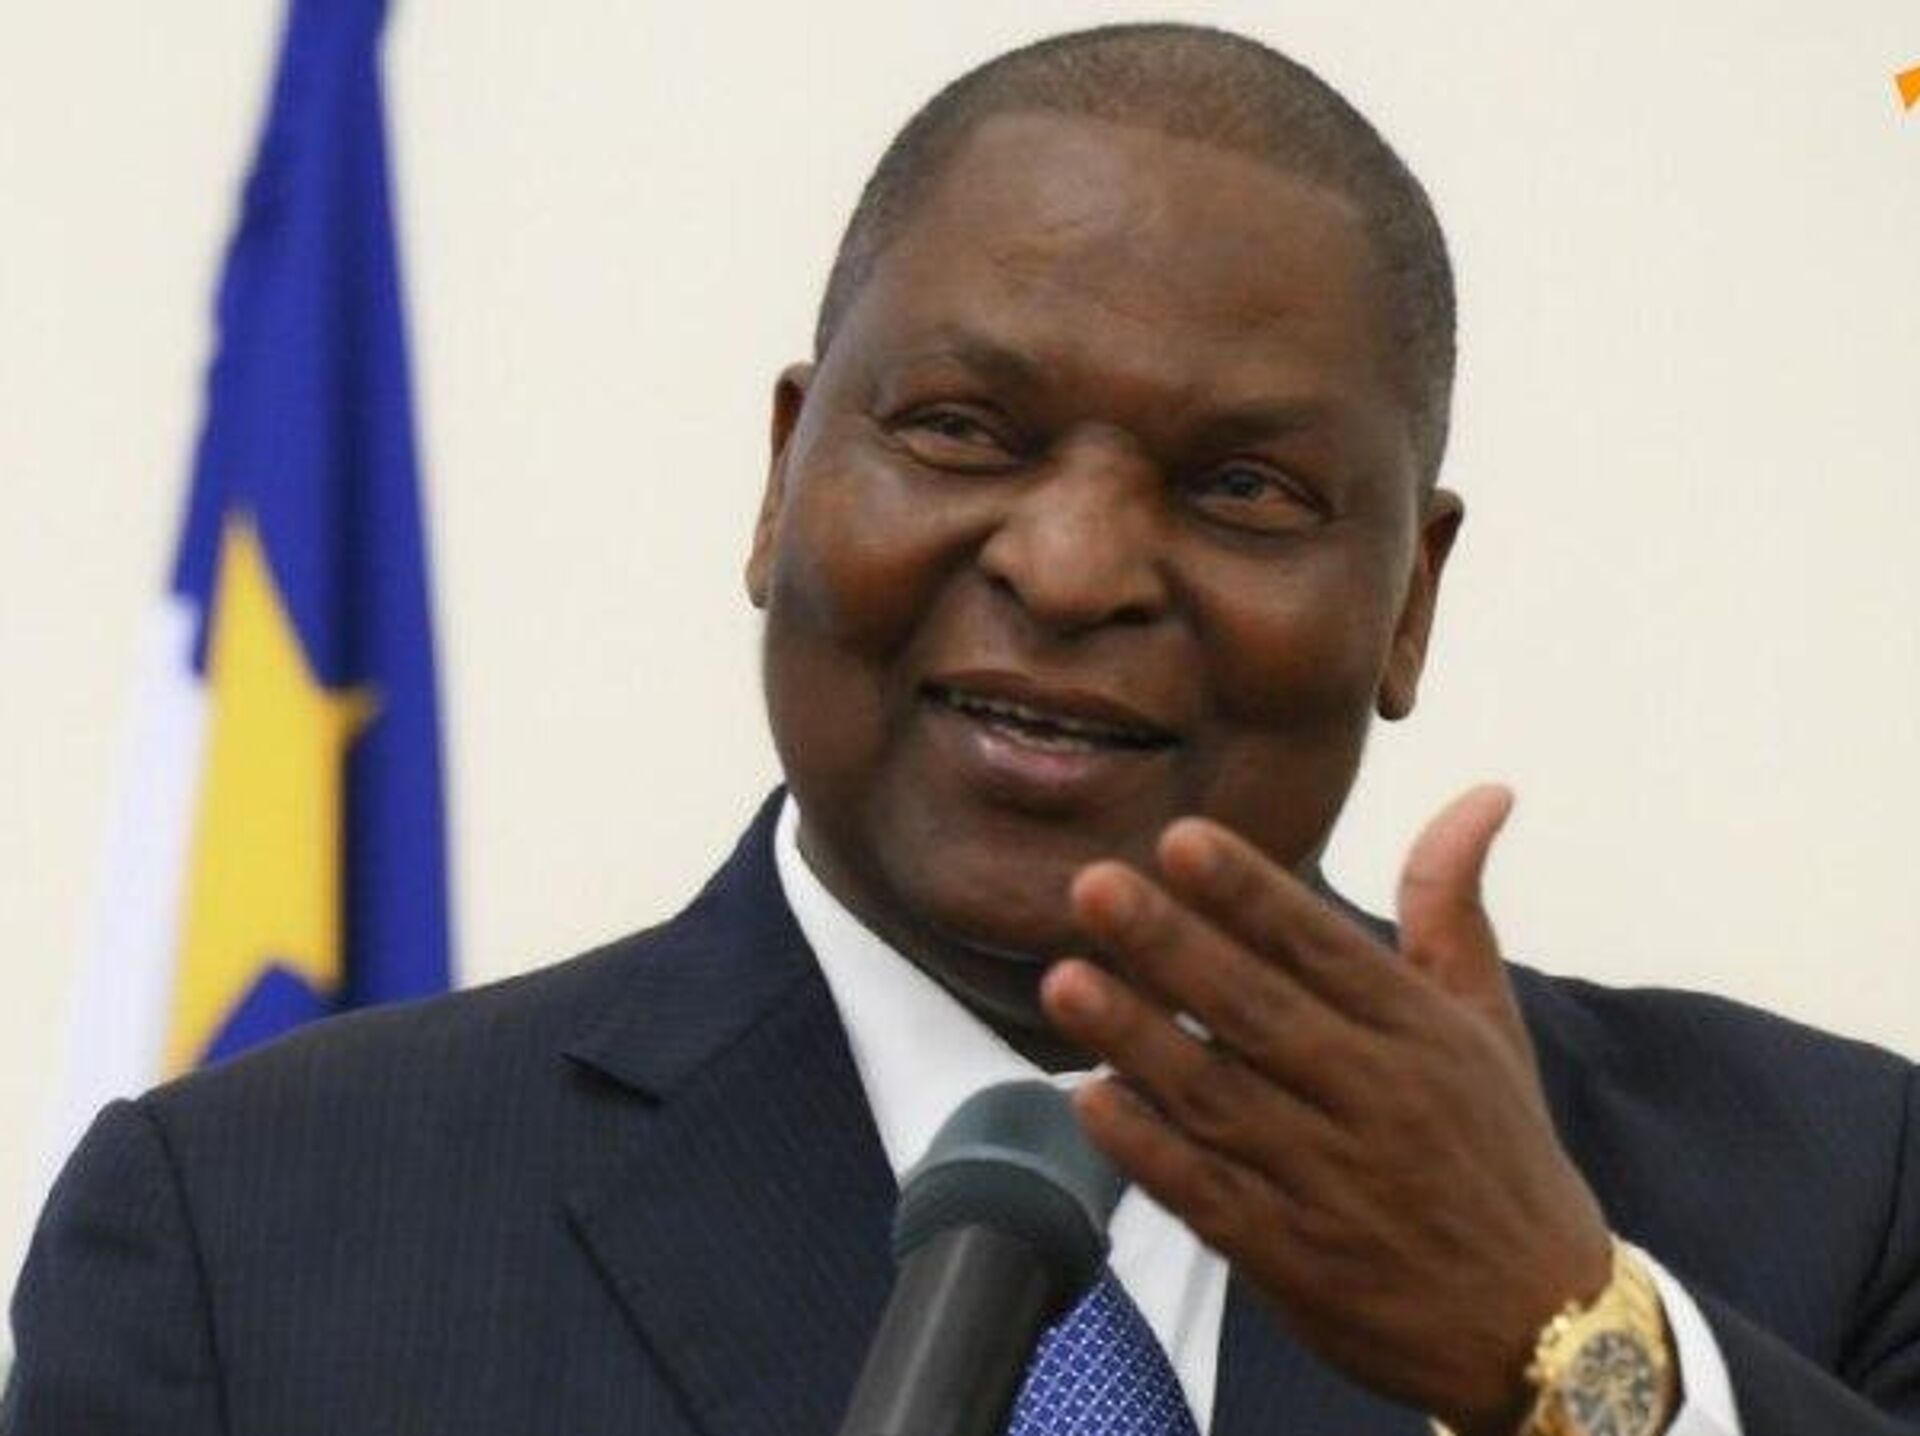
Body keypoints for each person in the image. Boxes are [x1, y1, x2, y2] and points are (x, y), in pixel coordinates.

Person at [5, 22, 1915, 1436]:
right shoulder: (249, 1239)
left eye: (1241, 488)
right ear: (782, 480)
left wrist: (1576, 1361)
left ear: (1408, 596)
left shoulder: (1825, 1200)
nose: (1071, 568)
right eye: (961, 433)